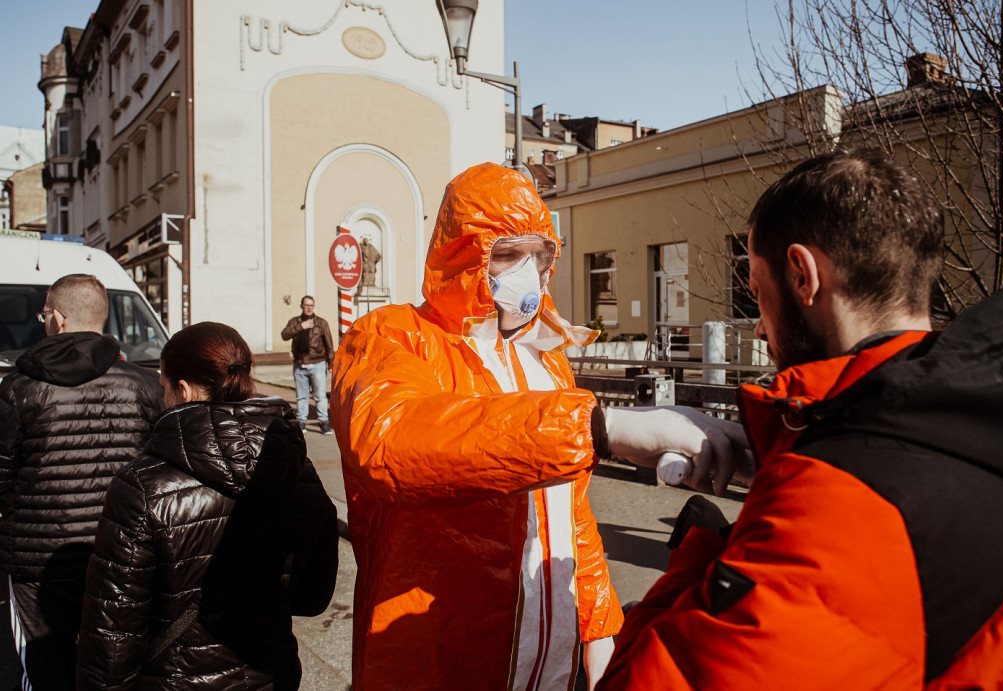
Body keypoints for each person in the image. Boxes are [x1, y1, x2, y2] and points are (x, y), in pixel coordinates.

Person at [597, 149, 1003, 689]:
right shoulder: (984, 408)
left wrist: (706, 554)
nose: (759, 330)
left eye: (757, 292)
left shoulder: (834, 506)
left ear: (802, 275)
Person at [330, 162, 749, 690]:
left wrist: (600, 629)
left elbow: (571, 518)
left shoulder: (544, 360)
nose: (525, 271)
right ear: (462, 254)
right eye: (506, 254)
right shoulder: (391, 338)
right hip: (436, 657)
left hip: (548, 659)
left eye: (539, 254)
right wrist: (602, 428)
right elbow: (390, 443)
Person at [76, 321, 339, 690]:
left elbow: (113, 637)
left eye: (163, 386)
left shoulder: (141, 486)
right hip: (272, 673)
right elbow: (313, 598)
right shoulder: (299, 471)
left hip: (175, 681)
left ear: (182, 390)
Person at [0, 273, 164, 690]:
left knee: (44, 671)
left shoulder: (19, 389)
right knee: (113, 669)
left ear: (57, 319)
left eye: (44, 315)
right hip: (121, 555)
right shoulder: (146, 387)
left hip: (40, 563)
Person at [281, 295, 334, 434]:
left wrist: (331, 363)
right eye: (306, 305)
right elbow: (284, 335)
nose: (309, 308)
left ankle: (323, 422)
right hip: (300, 364)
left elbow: (329, 344)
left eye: (311, 305)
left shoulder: (321, 323)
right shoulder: (295, 322)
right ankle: (302, 423)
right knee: (301, 396)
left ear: (314, 306)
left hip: (317, 363)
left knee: (320, 395)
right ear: (301, 306)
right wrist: (300, 327)